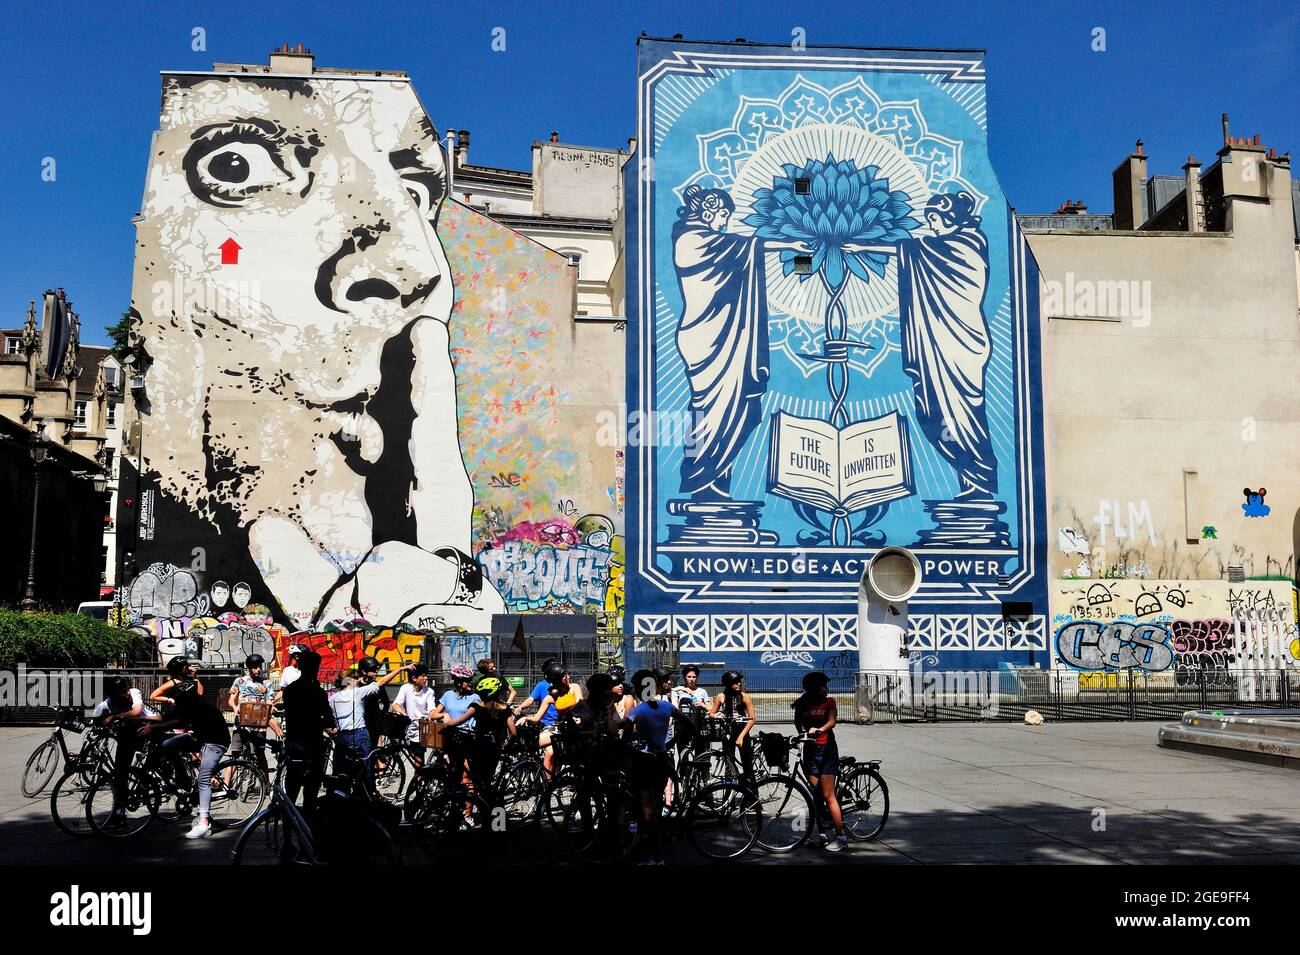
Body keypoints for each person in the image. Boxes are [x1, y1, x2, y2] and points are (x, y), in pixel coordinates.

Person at [671, 184, 812, 499]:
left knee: (739, 410)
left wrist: (796, 255)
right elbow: (744, 245)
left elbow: (739, 246)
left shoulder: (715, 240)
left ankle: (717, 483)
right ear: (707, 210)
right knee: (712, 411)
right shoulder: (688, 240)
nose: (724, 221)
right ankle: (699, 480)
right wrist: (787, 243)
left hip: (732, 338)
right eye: (722, 214)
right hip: (706, 337)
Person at [138, 658, 231, 839]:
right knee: (167, 745)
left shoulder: (195, 705)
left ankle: (204, 823)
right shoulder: (184, 698)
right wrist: (145, 722)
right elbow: (168, 716)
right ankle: (182, 777)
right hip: (199, 736)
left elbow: (178, 720)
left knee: (203, 779)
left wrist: (153, 727)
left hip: (215, 740)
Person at [90, 677, 160, 829]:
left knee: (149, 765)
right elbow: (94, 717)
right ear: (113, 695)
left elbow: (136, 712)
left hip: (149, 728)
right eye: (122, 692)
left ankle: (150, 782)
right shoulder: (106, 704)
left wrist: (114, 716)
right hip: (127, 736)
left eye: (126, 690)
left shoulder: (134, 692)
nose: (127, 693)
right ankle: (119, 811)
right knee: (120, 773)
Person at [329, 663, 412, 791]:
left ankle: (340, 795)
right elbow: (382, 682)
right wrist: (400, 669)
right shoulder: (357, 693)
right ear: (349, 682)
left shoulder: (333, 699)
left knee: (341, 770)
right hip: (359, 735)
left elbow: (329, 720)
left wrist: (333, 732)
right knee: (365, 769)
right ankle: (365, 795)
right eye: (356, 678)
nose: (359, 680)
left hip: (341, 737)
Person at [627, 667, 678, 864]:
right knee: (656, 807)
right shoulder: (666, 707)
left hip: (643, 761)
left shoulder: (636, 711)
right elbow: (689, 725)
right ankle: (663, 848)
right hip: (662, 759)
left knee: (647, 811)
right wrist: (669, 744)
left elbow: (625, 739)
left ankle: (655, 856)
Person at [793, 671, 847, 852]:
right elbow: (797, 721)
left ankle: (841, 837)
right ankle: (822, 834)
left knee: (828, 795)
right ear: (814, 688)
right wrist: (802, 733)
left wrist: (820, 729)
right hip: (810, 750)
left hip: (827, 750)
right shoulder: (803, 703)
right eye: (823, 685)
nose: (826, 688)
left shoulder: (829, 702)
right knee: (816, 793)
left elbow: (832, 721)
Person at [280, 650, 336, 823]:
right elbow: (328, 720)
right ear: (316, 668)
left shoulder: (289, 690)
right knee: (310, 795)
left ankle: (288, 838)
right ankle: (308, 835)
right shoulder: (317, 692)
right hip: (313, 746)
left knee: (291, 792)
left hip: (294, 744)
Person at [439, 674, 517, 795]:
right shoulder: (504, 709)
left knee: (475, 777)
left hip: (477, 746)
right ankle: (490, 805)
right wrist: (507, 744)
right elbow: (513, 732)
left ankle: (475, 803)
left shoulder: (477, 706)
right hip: (495, 748)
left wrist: (446, 724)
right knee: (487, 779)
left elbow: (460, 720)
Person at [709, 670, 756, 779]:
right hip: (728, 731)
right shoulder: (721, 696)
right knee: (728, 763)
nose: (739, 684)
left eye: (739, 681)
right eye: (735, 682)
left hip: (742, 730)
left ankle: (752, 793)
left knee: (747, 764)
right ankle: (729, 792)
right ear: (728, 684)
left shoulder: (745, 697)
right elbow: (712, 713)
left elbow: (752, 719)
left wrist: (741, 737)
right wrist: (717, 715)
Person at [391, 663, 437, 767]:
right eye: (423, 676)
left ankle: (419, 779)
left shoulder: (429, 691)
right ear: (414, 678)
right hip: (408, 726)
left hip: (422, 727)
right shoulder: (405, 688)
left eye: (426, 675)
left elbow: (431, 708)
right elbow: (396, 704)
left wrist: (432, 715)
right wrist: (404, 714)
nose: (426, 678)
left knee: (419, 762)